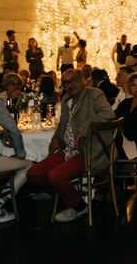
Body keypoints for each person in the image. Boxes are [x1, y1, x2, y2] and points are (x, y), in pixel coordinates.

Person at [26, 69, 115, 222]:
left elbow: (109, 114)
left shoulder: (94, 94)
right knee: (33, 173)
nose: (70, 85)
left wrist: (85, 127)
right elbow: (63, 125)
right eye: (66, 82)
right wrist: (56, 138)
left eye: (73, 80)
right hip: (67, 150)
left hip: (88, 150)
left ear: (82, 79)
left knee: (55, 176)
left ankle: (80, 206)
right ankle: (66, 194)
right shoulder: (66, 99)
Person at [0, 68, 31, 223]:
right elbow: (12, 128)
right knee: (27, 165)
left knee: (4, 157)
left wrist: (0, 134)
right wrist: (20, 153)